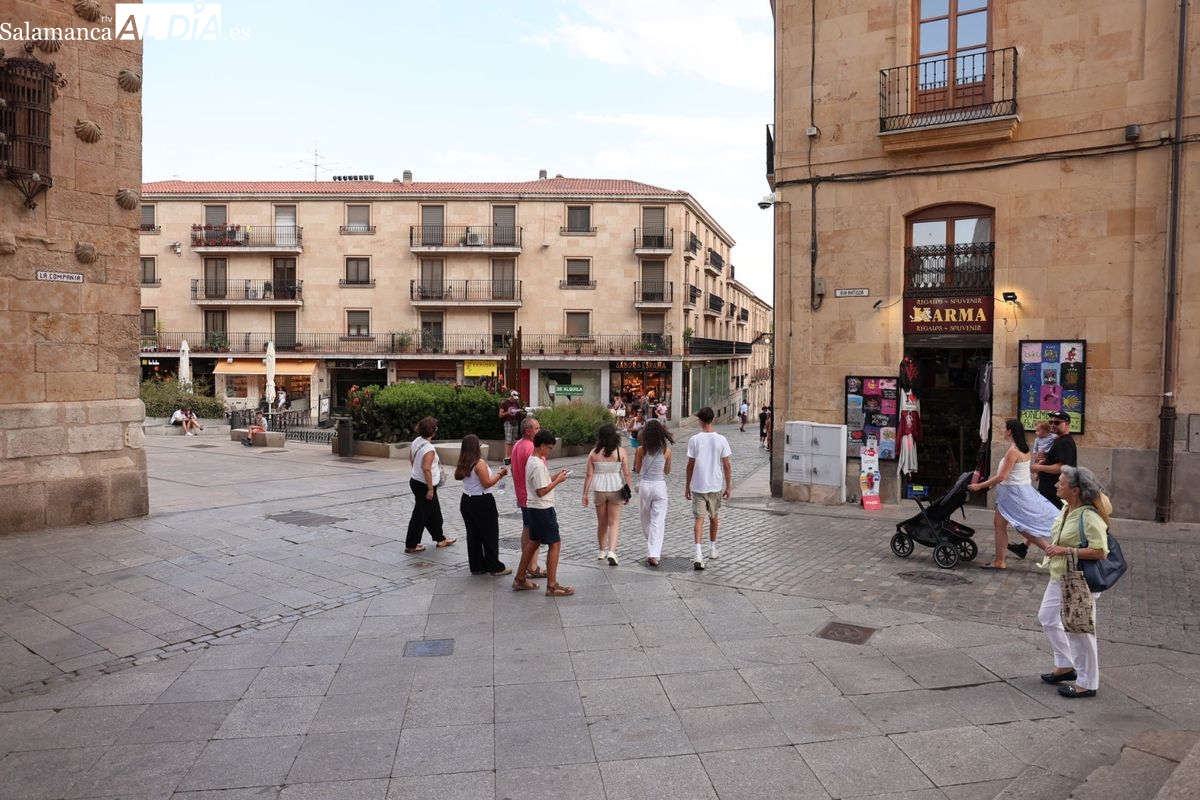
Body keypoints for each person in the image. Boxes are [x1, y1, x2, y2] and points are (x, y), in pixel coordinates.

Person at [1037, 466, 1111, 699]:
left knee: (1081, 629)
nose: (1056, 485)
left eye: (1061, 482)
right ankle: (1066, 665)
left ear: (1076, 490)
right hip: (1060, 574)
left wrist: (1065, 550)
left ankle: (1087, 683)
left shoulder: (1089, 516)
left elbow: (1101, 551)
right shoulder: (1066, 508)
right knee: (1048, 617)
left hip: (1080, 579)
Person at [968, 420, 1060, 569]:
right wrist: (991, 485)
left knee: (1022, 527)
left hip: (1012, 494)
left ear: (1010, 431)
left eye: (1004, 428)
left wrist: (979, 485)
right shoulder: (1023, 448)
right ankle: (1000, 560)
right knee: (1001, 524)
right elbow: (1010, 474)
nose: (1003, 431)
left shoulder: (1013, 451)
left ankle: (1052, 553)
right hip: (1017, 491)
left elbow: (1002, 476)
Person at [523, 429, 574, 597]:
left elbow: (541, 483)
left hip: (534, 508)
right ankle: (552, 585)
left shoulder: (533, 460)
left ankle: (520, 578)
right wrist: (558, 481)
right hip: (542, 508)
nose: (550, 451)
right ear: (542, 445)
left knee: (533, 543)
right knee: (555, 544)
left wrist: (555, 476)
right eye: (550, 448)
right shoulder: (538, 464)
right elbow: (541, 491)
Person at [455, 434, 510, 576]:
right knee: (490, 535)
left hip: (466, 500)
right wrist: (500, 474)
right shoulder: (479, 463)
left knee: (473, 535)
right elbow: (486, 483)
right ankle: (494, 567)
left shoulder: (463, 462)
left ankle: (477, 566)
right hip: (482, 501)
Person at [685, 406, 732, 570]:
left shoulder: (694, 440)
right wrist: (728, 487)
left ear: (700, 421)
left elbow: (690, 465)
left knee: (699, 519)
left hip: (698, 485)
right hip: (715, 485)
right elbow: (726, 466)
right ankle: (712, 548)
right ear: (712, 420)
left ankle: (698, 553)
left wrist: (687, 486)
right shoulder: (721, 440)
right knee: (714, 516)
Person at [1025, 410, 1078, 553]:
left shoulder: (1064, 442)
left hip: (1054, 489)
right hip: (1050, 487)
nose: (1053, 425)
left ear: (1067, 424)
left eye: (1057, 423)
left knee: (1051, 519)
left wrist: (1039, 467)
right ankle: (1025, 546)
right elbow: (1057, 460)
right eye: (1051, 422)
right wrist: (1046, 457)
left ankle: (1060, 549)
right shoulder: (1060, 441)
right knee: (1043, 518)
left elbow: (1061, 467)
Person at [404, 416, 456, 553]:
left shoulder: (417, 441)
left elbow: (411, 457)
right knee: (420, 515)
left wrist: (416, 471)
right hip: (425, 485)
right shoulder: (429, 449)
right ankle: (411, 544)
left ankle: (440, 539)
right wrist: (430, 489)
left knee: (434, 512)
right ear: (433, 431)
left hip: (416, 481)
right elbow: (426, 468)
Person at [582, 423, 631, 565]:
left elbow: (589, 475)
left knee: (602, 523)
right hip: (616, 488)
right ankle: (612, 552)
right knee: (614, 522)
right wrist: (628, 491)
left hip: (599, 489)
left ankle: (602, 550)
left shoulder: (593, 453)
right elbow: (627, 473)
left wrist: (585, 494)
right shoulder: (620, 452)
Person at [510, 417, 546, 588]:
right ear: (527, 431)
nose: (539, 430)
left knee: (527, 528)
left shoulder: (517, 445)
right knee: (534, 533)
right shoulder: (531, 448)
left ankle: (529, 566)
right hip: (531, 496)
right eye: (536, 428)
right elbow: (540, 473)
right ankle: (531, 566)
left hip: (522, 493)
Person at [634, 418, 674, 567]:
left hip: (645, 486)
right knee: (658, 521)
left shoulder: (640, 450)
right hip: (659, 486)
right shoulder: (666, 450)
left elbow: (637, 469)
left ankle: (652, 550)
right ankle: (653, 553)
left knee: (645, 520)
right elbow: (667, 471)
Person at [499, 389, 526, 459]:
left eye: (516, 399)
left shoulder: (516, 403)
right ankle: (506, 457)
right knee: (508, 440)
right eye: (514, 399)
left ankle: (512, 456)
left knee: (514, 440)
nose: (515, 400)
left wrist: (521, 411)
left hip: (515, 422)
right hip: (508, 422)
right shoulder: (505, 403)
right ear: (511, 396)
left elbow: (519, 410)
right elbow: (500, 414)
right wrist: (507, 413)